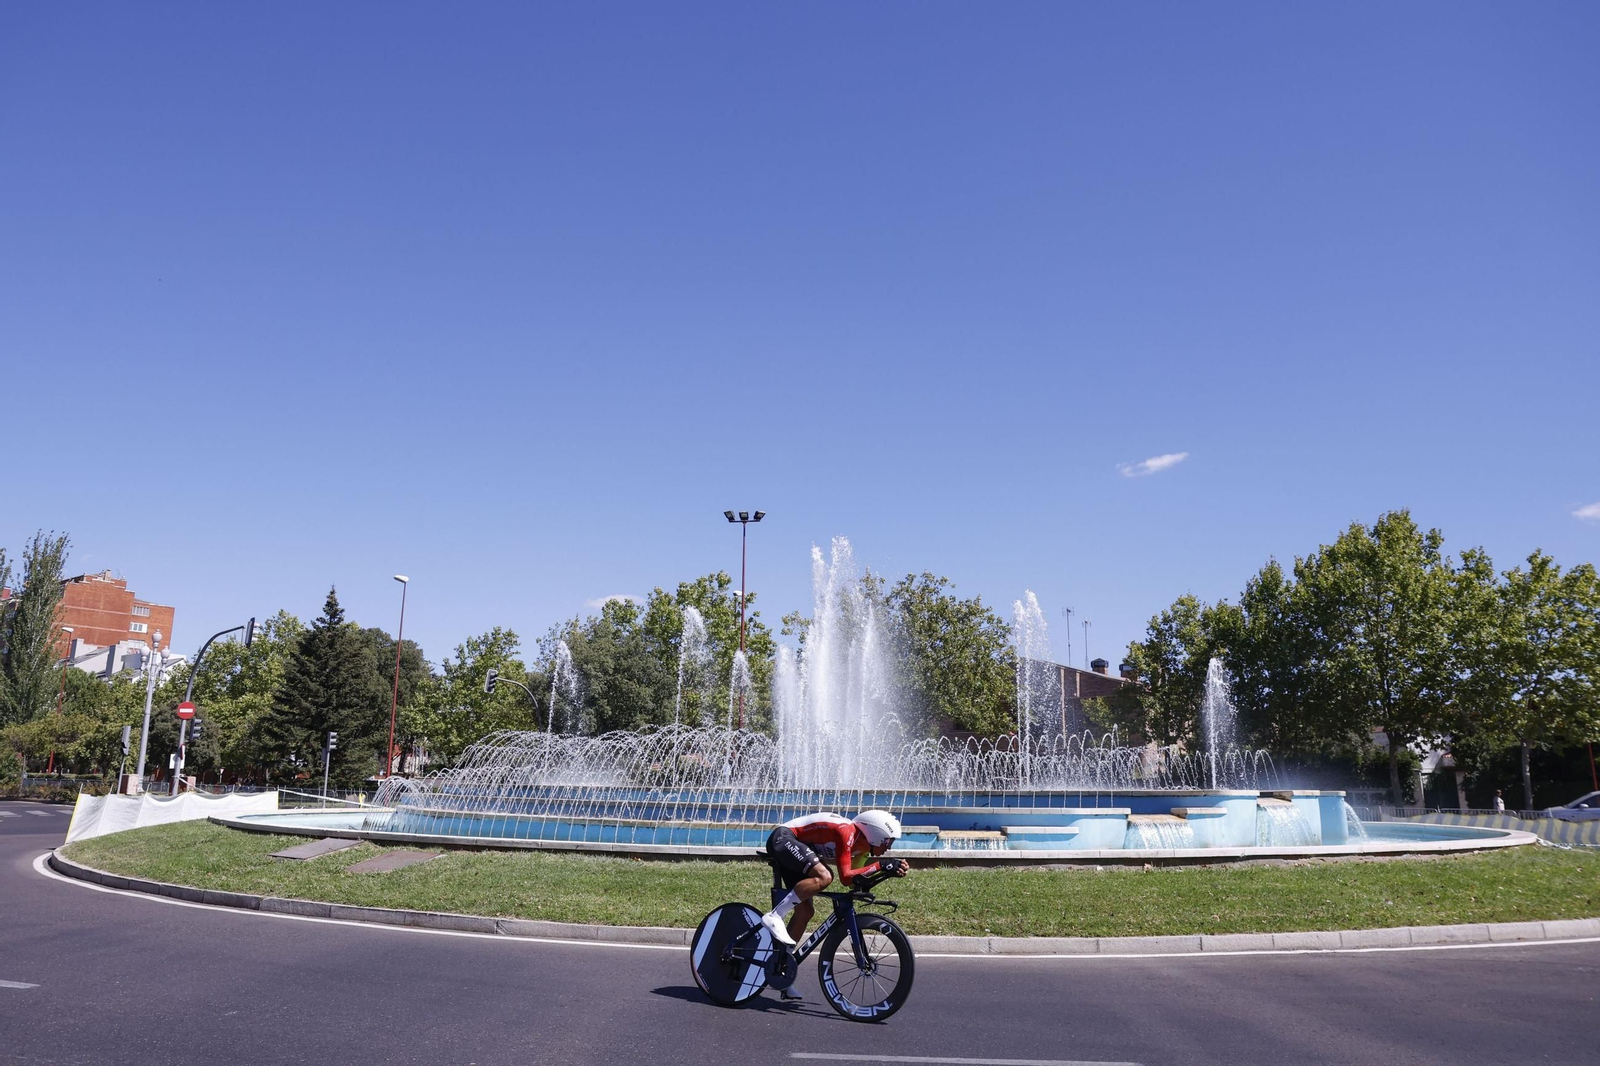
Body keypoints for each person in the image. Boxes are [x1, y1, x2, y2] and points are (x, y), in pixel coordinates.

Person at [761, 810, 908, 952]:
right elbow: (845, 877)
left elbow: (853, 881)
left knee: (805, 912)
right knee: (825, 876)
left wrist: (887, 871)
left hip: (797, 848)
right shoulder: (846, 832)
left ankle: (780, 959)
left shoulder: (861, 850)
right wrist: (881, 865)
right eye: (888, 841)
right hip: (784, 837)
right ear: (876, 834)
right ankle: (775, 916)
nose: (889, 848)